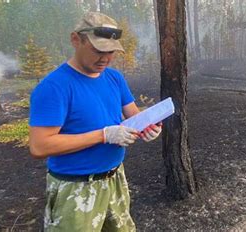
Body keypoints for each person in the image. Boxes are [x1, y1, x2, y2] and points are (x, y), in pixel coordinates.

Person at [29, 12, 162, 231]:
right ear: (75, 40)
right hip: (75, 189)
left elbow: (134, 115)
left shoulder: (114, 78)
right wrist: (104, 135)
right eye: (98, 50)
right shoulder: (54, 87)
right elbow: (39, 146)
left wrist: (148, 126)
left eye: (111, 52)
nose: (106, 58)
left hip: (115, 179)